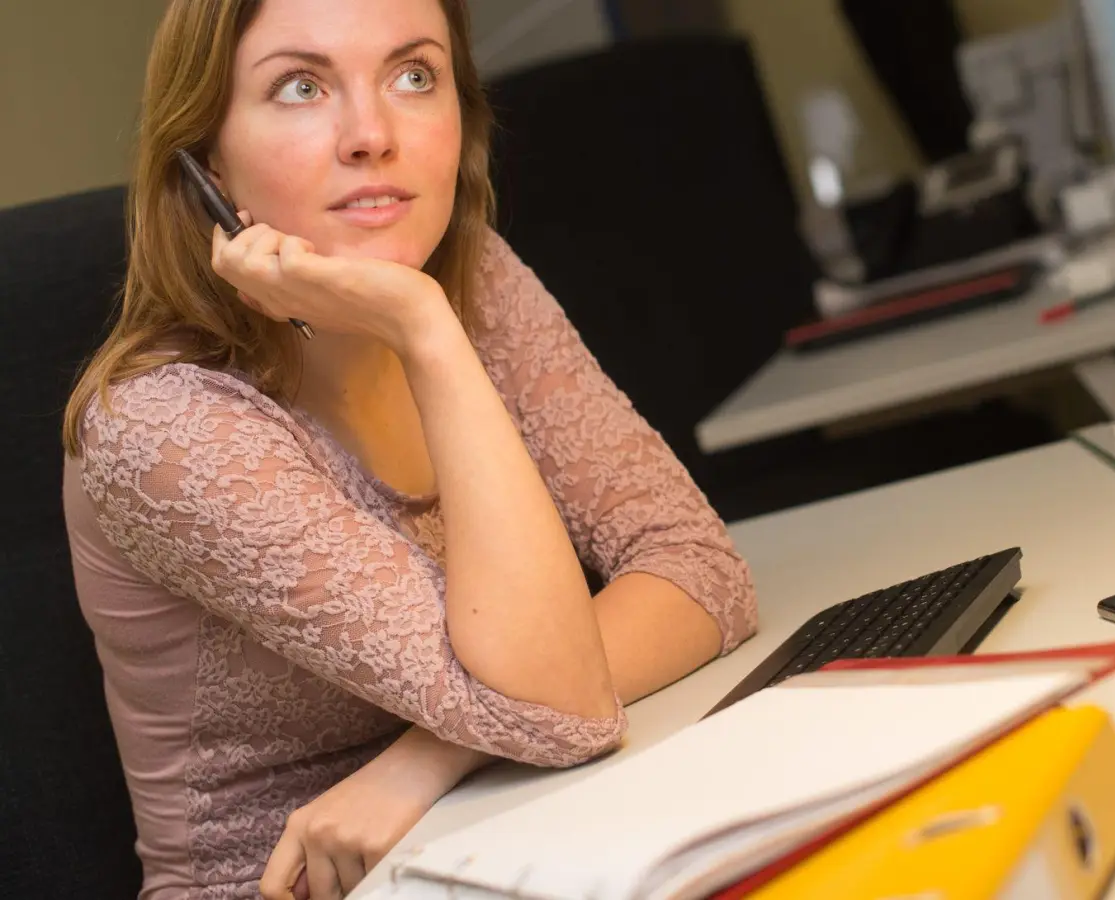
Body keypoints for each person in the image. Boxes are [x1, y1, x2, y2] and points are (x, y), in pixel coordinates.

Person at [58, 0, 759, 897]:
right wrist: (425, 329)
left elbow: (699, 569)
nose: (371, 134)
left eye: (413, 74)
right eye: (301, 86)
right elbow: (560, 708)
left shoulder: (470, 278)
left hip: (514, 829)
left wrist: (423, 761)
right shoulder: (163, 424)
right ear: (204, 160)